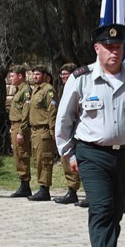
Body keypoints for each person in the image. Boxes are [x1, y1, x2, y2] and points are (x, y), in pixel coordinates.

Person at [55, 23, 125, 247]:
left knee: (117, 211)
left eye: (118, 47)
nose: (114, 52)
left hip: (124, 155)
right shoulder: (81, 78)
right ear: (97, 48)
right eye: (108, 47)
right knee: (101, 206)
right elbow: (64, 120)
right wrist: (69, 153)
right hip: (92, 153)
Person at [27, 65, 57, 201]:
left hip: (44, 130)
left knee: (44, 160)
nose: (35, 77)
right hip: (35, 131)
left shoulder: (48, 90)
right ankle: (41, 187)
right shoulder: (35, 90)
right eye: (34, 74)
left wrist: (53, 130)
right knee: (37, 160)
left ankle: (44, 190)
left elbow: (52, 111)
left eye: (38, 74)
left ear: (46, 76)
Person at [54, 63, 82, 204]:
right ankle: (72, 191)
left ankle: (89, 193)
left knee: (83, 161)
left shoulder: (80, 86)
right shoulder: (64, 88)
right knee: (66, 160)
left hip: (80, 131)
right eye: (62, 75)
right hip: (68, 130)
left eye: (67, 74)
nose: (64, 77)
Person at [7, 65, 32, 198]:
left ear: (20, 76)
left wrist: (21, 131)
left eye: (12, 76)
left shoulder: (26, 90)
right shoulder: (19, 90)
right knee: (17, 154)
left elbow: (26, 112)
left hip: (20, 127)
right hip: (15, 126)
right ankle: (23, 183)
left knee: (22, 154)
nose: (10, 78)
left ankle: (25, 184)